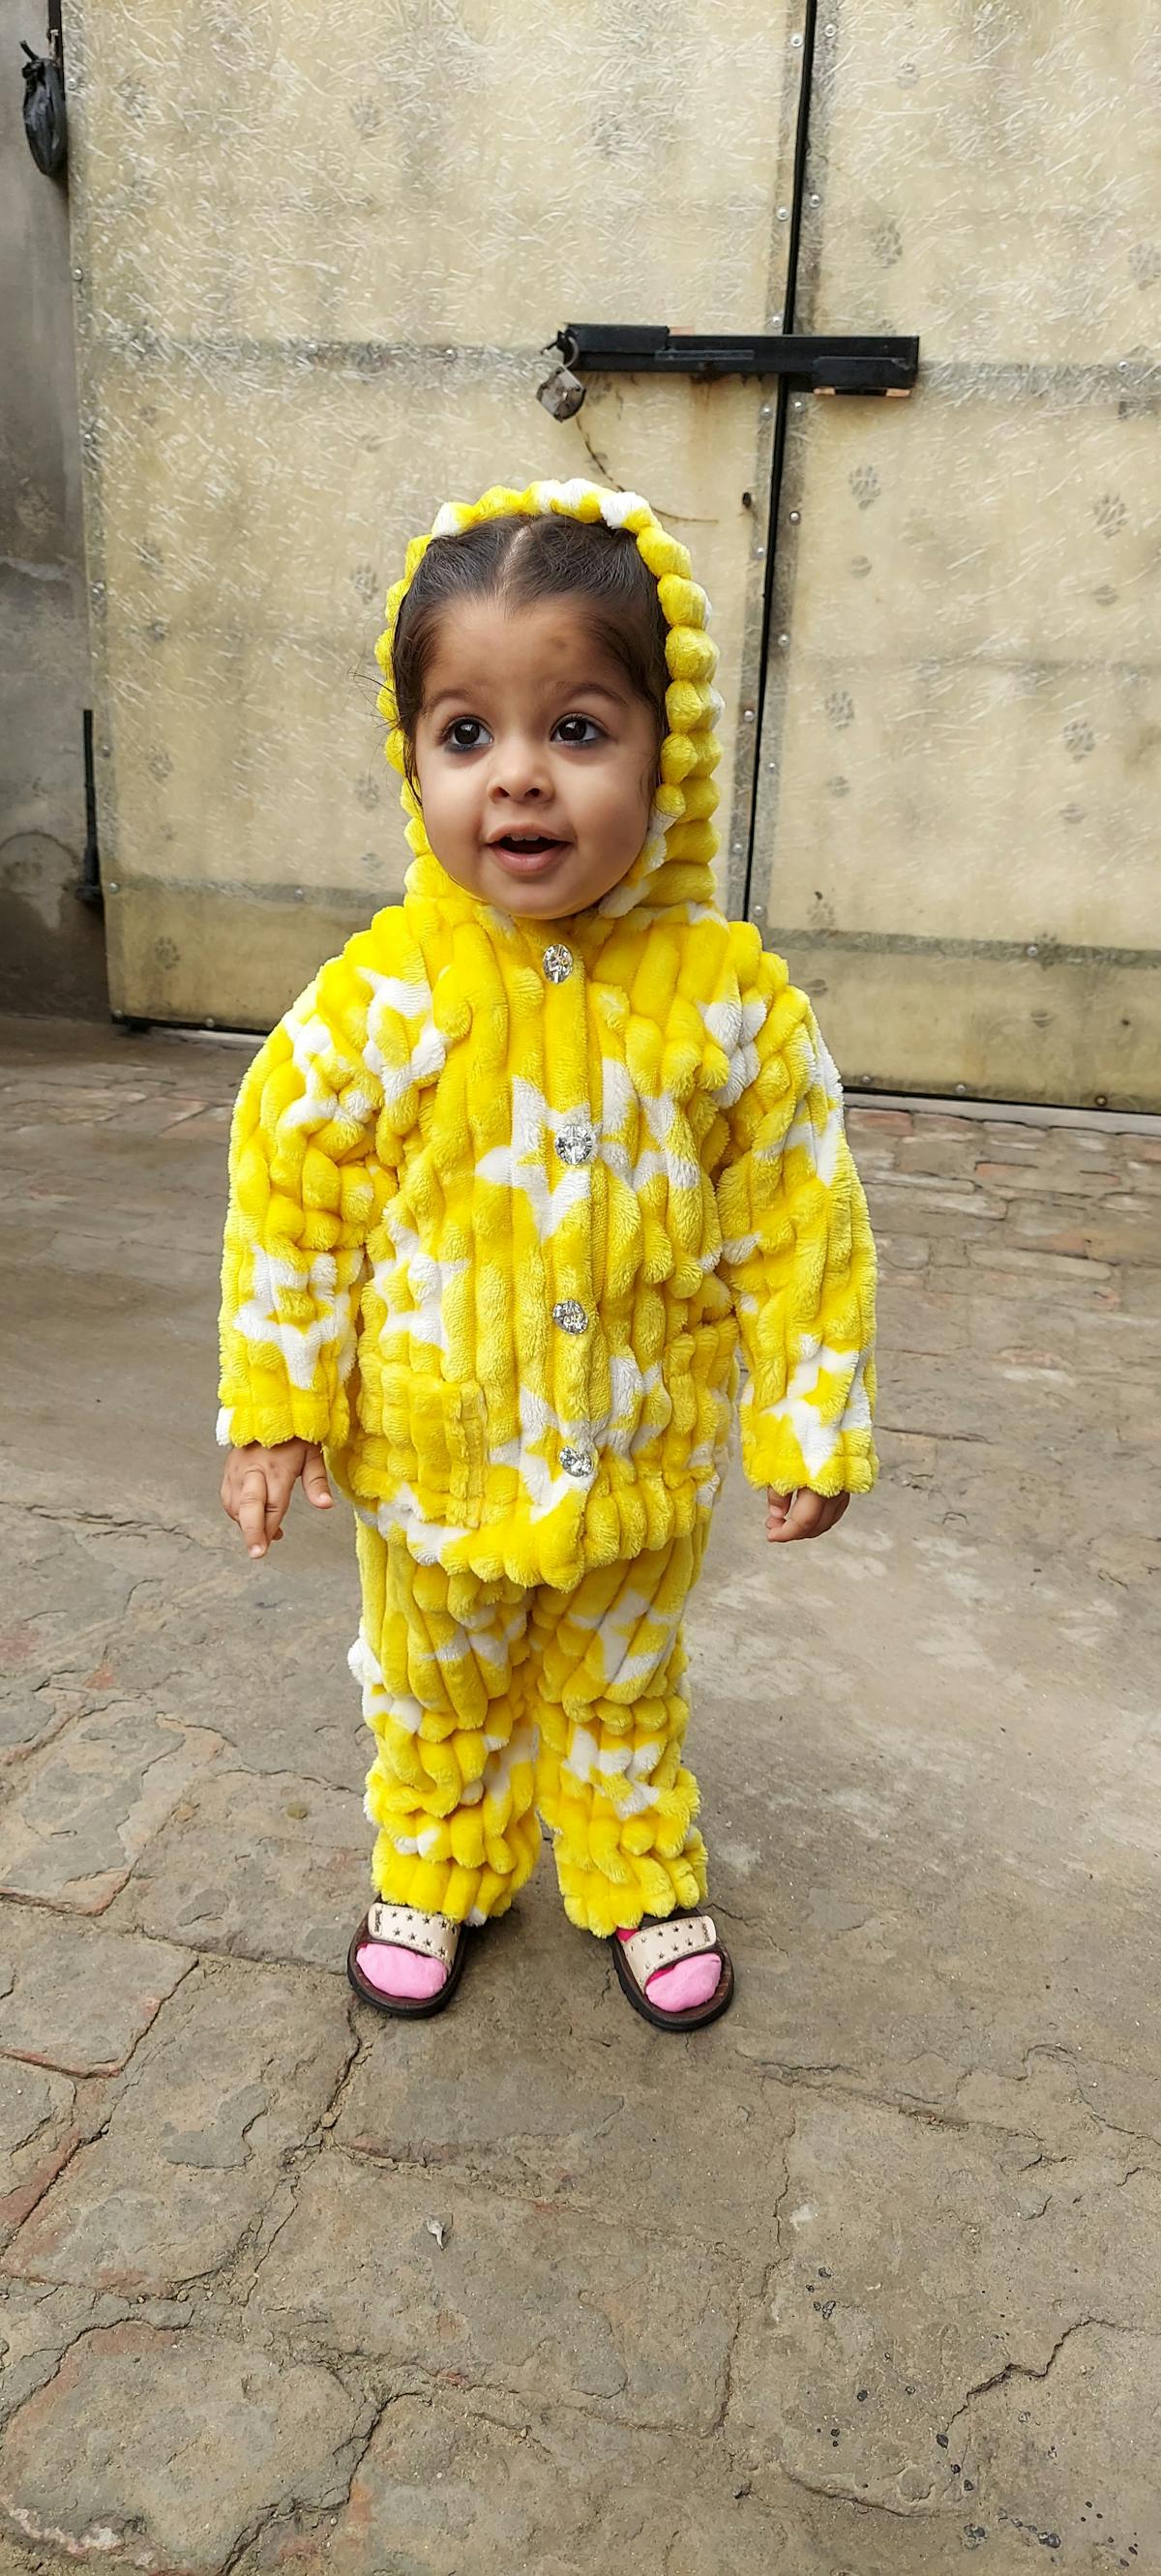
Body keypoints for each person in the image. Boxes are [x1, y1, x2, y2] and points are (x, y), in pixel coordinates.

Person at [217, 478, 878, 2031]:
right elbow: (292, 1202)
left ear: (670, 752)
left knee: (622, 1688)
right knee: (432, 1688)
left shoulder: (730, 1005)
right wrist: (278, 1406)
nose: (518, 777)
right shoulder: (379, 1001)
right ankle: (439, 1863)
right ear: (415, 761)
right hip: (430, 1466)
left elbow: (800, 1220)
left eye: (576, 729)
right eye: (468, 734)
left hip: (637, 1459)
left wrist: (807, 1415)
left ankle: (637, 1866)